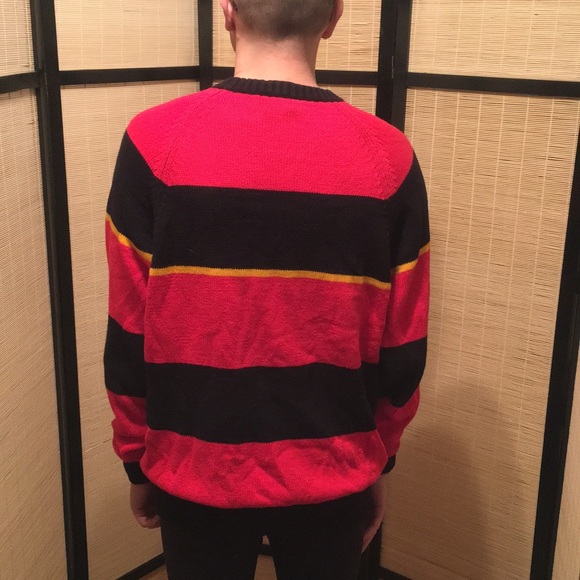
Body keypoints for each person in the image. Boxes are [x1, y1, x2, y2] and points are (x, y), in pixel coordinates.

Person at [104, 0, 429, 577]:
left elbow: (128, 327)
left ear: (226, 10)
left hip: (192, 467)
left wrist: (137, 457)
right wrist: (379, 458)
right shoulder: (389, 159)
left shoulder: (153, 143)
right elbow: (403, 345)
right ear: (334, 16)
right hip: (335, 471)